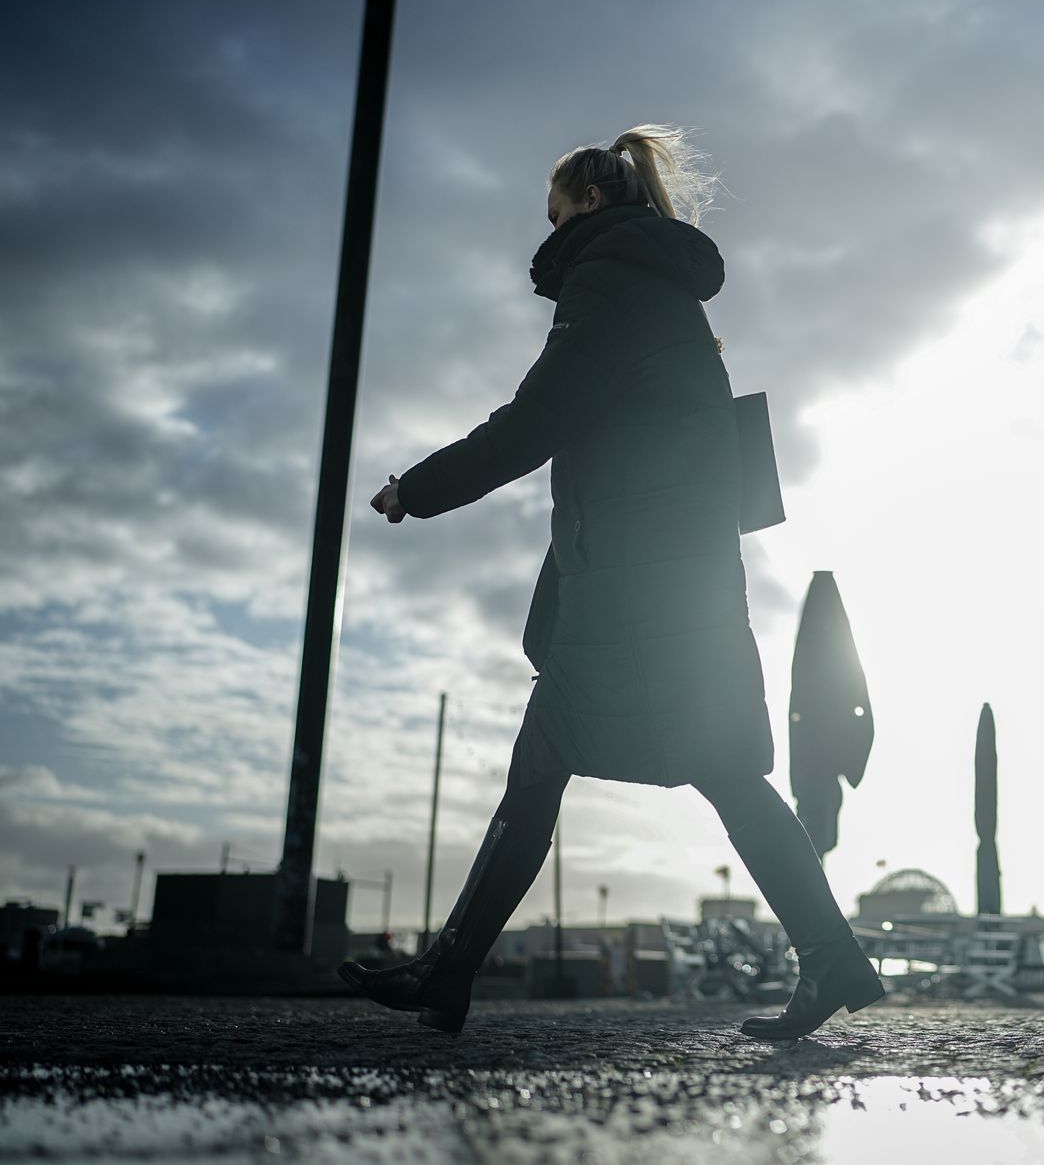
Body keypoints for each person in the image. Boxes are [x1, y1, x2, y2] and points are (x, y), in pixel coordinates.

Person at [336, 124, 883, 1039]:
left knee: (548, 759)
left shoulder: (609, 282)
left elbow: (534, 419)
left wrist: (417, 489)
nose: (544, 238)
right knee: (725, 771)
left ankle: (448, 972)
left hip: (635, 591)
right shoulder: (667, 292)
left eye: (552, 215)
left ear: (589, 204)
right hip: (686, 582)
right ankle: (831, 960)